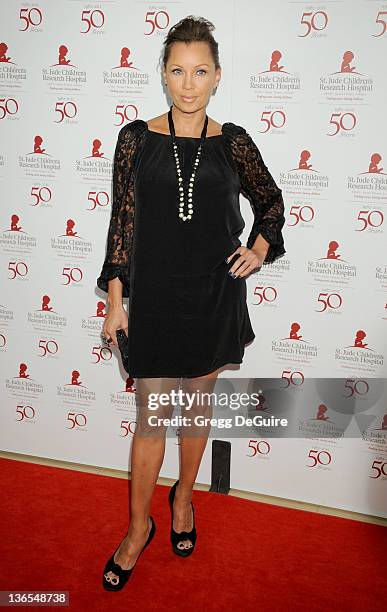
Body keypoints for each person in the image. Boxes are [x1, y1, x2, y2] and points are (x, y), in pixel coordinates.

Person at [96, 15, 286, 591]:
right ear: (163, 74)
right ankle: (137, 529)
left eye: (200, 71)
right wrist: (115, 299)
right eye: (177, 69)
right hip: (152, 300)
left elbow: (271, 201)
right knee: (152, 417)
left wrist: (257, 249)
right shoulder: (135, 139)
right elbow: (122, 228)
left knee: (196, 410)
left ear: (217, 76)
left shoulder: (234, 142)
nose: (188, 82)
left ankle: (183, 499)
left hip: (211, 296)